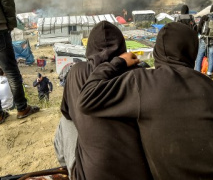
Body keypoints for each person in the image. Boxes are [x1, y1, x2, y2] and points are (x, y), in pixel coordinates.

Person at [79, 22, 213, 179]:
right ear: (191, 51)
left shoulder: (143, 82)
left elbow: (88, 99)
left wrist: (119, 61)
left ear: (157, 52)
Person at [56, 21, 152, 180]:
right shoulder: (137, 74)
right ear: (122, 48)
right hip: (141, 172)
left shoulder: (76, 72)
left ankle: (65, 168)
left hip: (90, 174)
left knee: (66, 121)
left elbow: (67, 113)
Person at [195, 4, 213, 78]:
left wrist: (201, 34)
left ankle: (198, 72)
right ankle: (209, 73)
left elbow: (199, 28)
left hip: (204, 38)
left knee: (200, 55)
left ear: (211, 9)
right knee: (212, 55)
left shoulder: (205, 17)